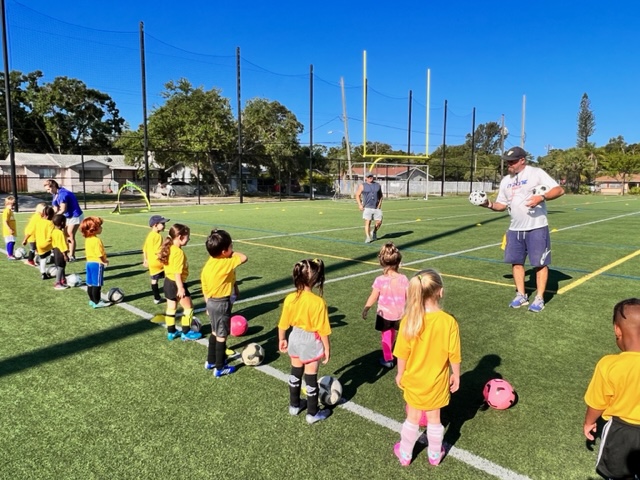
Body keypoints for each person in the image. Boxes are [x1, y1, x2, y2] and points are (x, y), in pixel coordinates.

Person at [477, 146, 564, 312]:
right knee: (516, 263)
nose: (509, 164)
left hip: (537, 227)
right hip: (515, 229)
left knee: (539, 264)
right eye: (507, 162)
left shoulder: (535, 173)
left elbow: (559, 190)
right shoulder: (506, 181)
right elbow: (501, 205)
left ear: (522, 160)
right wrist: (487, 204)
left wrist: (541, 197)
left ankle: (539, 298)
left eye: (512, 161)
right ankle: (521, 295)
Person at [393, 269, 461, 467]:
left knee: (412, 417)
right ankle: (434, 455)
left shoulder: (409, 320)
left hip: (414, 380)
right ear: (440, 291)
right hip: (437, 381)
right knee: (434, 418)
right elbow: (454, 354)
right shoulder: (448, 322)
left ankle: (405, 454)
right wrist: (456, 375)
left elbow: (402, 353)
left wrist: (400, 373)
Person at [583, 298, 640, 480]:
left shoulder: (609, 364)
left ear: (617, 329)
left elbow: (597, 402)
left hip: (622, 432)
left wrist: (589, 422)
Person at [278, 258, 332, 424]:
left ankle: (294, 406)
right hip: (310, 341)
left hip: (294, 337)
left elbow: (283, 323)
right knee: (310, 377)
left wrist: (282, 339)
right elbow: (322, 330)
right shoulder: (318, 302)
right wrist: (327, 349)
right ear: (315, 279)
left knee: (295, 371)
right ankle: (312, 413)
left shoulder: (290, 298)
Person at [201, 229, 248, 378]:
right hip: (222, 303)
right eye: (231, 246)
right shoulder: (226, 263)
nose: (233, 249)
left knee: (214, 332)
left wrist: (207, 304)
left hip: (211, 302)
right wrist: (231, 252)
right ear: (224, 251)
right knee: (222, 335)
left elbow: (205, 287)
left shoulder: (209, 264)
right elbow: (244, 257)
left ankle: (210, 361)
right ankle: (220, 367)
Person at [362, 242, 409, 368]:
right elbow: (410, 295)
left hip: (385, 315)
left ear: (382, 262)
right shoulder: (404, 279)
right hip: (401, 314)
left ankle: (388, 359)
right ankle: (404, 356)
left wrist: (366, 307)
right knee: (402, 336)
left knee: (386, 336)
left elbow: (374, 295)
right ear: (398, 262)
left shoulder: (380, 280)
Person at [158, 223, 202, 341]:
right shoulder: (178, 252)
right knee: (189, 308)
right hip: (176, 283)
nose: (189, 239)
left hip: (167, 282)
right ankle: (186, 332)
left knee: (171, 308)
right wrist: (181, 287)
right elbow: (177, 272)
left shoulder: (170, 248)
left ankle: (171, 332)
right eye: (188, 236)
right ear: (180, 237)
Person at [43, 179, 83, 261]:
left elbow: (63, 209)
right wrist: (49, 217)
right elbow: (55, 208)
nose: (48, 191)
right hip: (66, 216)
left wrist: (54, 218)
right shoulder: (55, 194)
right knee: (64, 234)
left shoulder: (63, 194)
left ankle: (72, 256)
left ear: (53, 186)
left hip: (75, 215)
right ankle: (65, 251)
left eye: (48, 189)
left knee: (69, 234)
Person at [80, 216, 110, 308]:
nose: (101, 228)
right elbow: (99, 254)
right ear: (94, 229)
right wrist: (104, 261)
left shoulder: (87, 239)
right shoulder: (97, 240)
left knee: (90, 283)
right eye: (100, 226)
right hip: (97, 264)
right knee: (97, 284)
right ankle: (97, 302)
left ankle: (92, 300)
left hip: (89, 263)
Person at [143, 215, 169, 305]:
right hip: (159, 262)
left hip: (151, 262)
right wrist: (165, 256)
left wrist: (145, 260)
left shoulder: (150, 235)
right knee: (170, 276)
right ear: (155, 225)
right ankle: (171, 295)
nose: (164, 225)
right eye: (162, 223)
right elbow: (158, 251)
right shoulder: (158, 236)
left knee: (154, 280)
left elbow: (145, 248)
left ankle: (156, 298)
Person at [355, 173, 383, 243]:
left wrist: (379, 204)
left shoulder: (377, 185)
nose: (370, 178)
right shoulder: (362, 185)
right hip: (367, 207)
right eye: (369, 177)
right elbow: (357, 195)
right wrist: (360, 205)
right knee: (368, 222)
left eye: (371, 176)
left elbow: (381, 195)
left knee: (379, 222)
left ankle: (374, 232)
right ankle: (368, 237)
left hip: (376, 207)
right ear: (366, 178)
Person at [22, 202, 47, 266]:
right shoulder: (37, 217)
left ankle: (37, 258)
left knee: (36, 248)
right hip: (31, 235)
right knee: (32, 248)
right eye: (45, 210)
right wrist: (25, 239)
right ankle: (30, 260)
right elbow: (31, 229)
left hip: (35, 234)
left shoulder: (39, 216)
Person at [35, 206, 55, 280]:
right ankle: (56, 266)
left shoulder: (39, 222)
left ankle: (43, 273)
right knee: (56, 251)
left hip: (39, 243)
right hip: (47, 243)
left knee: (43, 258)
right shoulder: (50, 223)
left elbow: (36, 232)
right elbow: (51, 234)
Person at [51, 214, 70, 290]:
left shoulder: (54, 231)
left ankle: (62, 280)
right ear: (62, 223)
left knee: (61, 267)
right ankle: (57, 282)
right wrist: (65, 255)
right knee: (60, 267)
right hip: (60, 252)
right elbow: (62, 245)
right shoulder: (60, 233)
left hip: (55, 250)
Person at [2, 195, 17, 260]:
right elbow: (4, 221)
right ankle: (10, 255)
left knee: (12, 242)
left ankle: (10, 254)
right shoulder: (7, 211)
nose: (14, 205)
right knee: (11, 242)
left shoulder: (10, 211)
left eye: (14, 204)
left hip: (12, 230)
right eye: (12, 204)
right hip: (8, 231)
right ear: (7, 204)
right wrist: (9, 229)